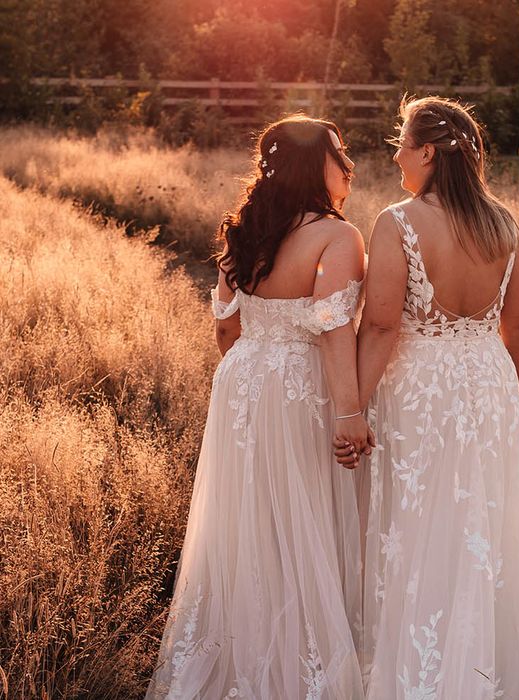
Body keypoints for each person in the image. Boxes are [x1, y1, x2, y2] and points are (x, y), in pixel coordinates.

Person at [335, 96, 519, 699]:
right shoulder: (503, 224)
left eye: (402, 144)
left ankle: (422, 665)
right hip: (489, 383)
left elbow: (383, 325)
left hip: (420, 388)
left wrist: (355, 409)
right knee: (481, 520)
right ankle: (485, 660)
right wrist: (508, 402)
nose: (395, 156)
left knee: (418, 520)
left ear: (427, 153)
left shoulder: (398, 222)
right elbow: (518, 327)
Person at [146, 115, 368, 699]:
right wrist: (349, 412)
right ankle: (305, 658)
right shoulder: (338, 237)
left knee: (250, 516)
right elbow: (333, 329)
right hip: (301, 383)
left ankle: (243, 642)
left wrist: (252, 363)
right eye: (339, 153)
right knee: (305, 511)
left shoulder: (247, 229)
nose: (349, 166)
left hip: (242, 381)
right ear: (314, 165)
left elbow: (225, 328)